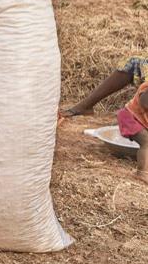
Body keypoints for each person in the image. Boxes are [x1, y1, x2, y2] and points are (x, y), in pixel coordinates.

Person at [61, 56, 148, 184]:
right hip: (132, 118)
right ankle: (142, 173)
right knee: (146, 142)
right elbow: (144, 102)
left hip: (137, 117)